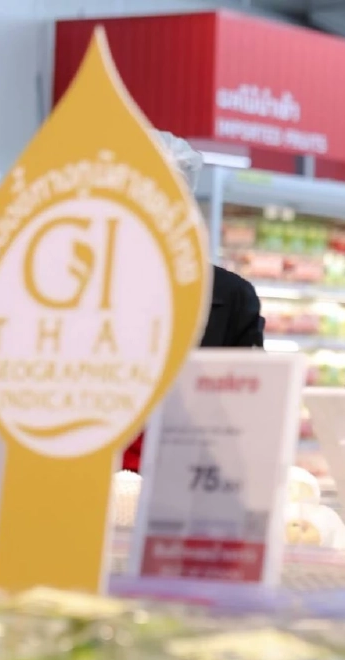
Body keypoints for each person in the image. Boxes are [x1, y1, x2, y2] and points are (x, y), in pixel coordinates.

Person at [121, 132, 263, 473]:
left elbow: (248, 409)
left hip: (191, 481)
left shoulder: (231, 298)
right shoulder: (92, 287)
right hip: (100, 484)